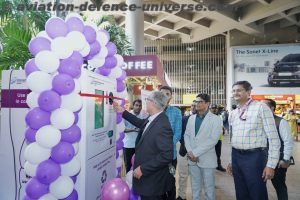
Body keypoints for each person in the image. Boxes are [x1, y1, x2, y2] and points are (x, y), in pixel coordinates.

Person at [113, 91, 173, 200]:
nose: (146, 102)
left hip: (152, 180)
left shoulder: (162, 124)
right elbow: (141, 123)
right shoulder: (154, 118)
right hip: (149, 179)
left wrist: (143, 169)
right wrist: (123, 112)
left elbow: (166, 155)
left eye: (147, 100)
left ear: (154, 103)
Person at [227, 81, 280, 200]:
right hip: (236, 156)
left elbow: (273, 138)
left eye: (239, 90)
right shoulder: (234, 113)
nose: (236, 93)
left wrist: (271, 165)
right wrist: (231, 161)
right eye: (234, 90)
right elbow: (233, 138)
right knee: (240, 192)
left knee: (257, 192)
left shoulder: (261, 107)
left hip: (254, 157)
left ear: (248, 92)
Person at [184, 94, 223, 200]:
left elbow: (213, 140)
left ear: (208, 103)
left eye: (200, 101)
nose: (197, 104)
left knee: (209, 188)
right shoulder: (191, 118)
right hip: (192, 159)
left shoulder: (215, 119)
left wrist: (195, 153)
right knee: (195, 187)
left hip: (207, 159)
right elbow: (186, 135)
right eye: (195, 101)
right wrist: (190, 152)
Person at [263, 99, 293, 200]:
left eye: (264, 105)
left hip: (278, 161)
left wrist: (285, 159)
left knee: (279, 186)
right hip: (262, 159)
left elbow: (288, 141)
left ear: (272, 108)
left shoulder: (281, 122)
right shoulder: (261, 122)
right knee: (259, 186)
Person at [159, 86, 182, 200]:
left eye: (167, 94)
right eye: (162, 94)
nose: (164, 96)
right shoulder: (154, 110)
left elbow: (178, 133)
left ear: (170, 97)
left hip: (170, 154)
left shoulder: (176, 112)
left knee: (170, 181)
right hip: (155, 155)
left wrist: (165, 146)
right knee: (158, 182)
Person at [177, 101, 197, 200]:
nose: (193, 107)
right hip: (183, 151)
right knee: (182, 175)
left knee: (196, 176)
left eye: (196, 105)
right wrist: (186, 145)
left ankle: (196, 196)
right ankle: (181, 195)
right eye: (192, 105)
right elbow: (179, 134)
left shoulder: (204, 121)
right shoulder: (184, 119)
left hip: (198, 154)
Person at [123, 99, 148, 173]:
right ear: (133, 106)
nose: (138, 107)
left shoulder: (143, 115)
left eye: (140, 106)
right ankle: (128, 181)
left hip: (139, 145)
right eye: (136, 105)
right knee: (128, 165)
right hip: (128, 145)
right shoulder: (127, 115)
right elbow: (122, 129)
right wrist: (133, 130)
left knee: (138, 166)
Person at [210, 104, 226, 172]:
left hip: (219, 138)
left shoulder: (219, 116)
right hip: (211, 139)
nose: (215, 109)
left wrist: (223, 129)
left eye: (216, 108)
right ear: (210, 109)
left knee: (218, 153)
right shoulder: (208, 117)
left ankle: (218, 165)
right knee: (210, 153)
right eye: (213, 108)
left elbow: (221, 125)